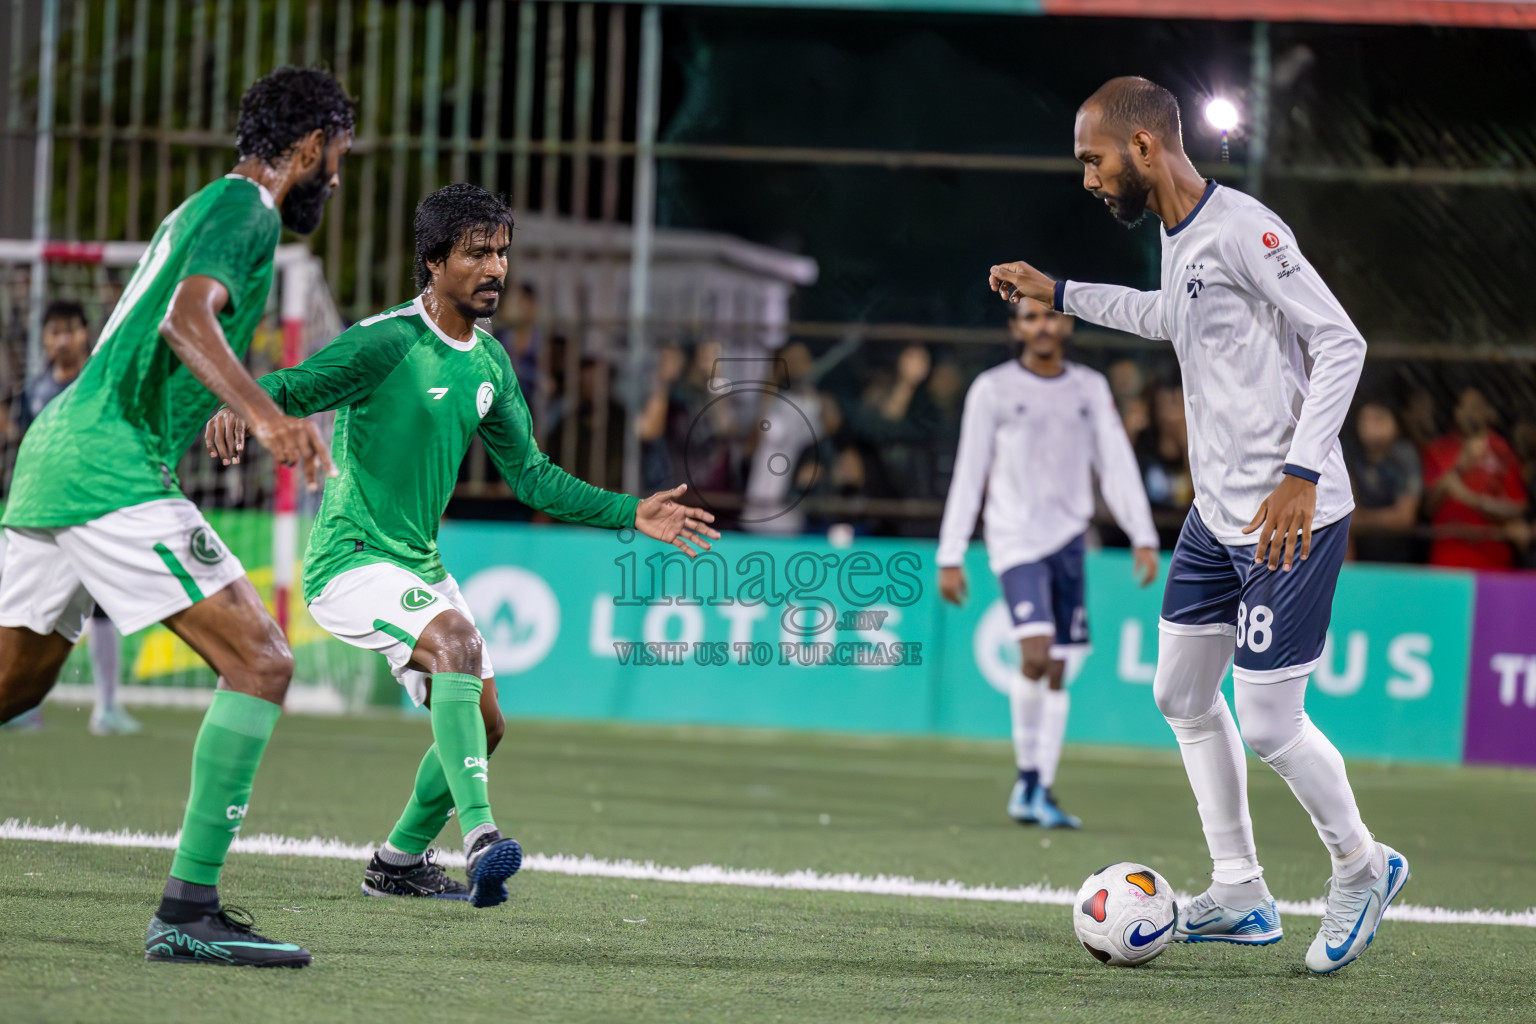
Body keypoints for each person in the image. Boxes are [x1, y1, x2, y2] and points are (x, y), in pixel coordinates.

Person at [988, 75, 1407, 974]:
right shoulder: (1180, 242)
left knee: (1266, 719)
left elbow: (1342, 340)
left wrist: (1301, 471)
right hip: (1218, 520)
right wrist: (1058, 289)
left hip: (1289, 515)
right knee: (1180, 694)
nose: (1090, 178)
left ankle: (1362, 867)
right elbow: (1165, 320)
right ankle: (1242, 891)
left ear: (1143, 147)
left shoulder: (1246, 229)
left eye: (1093, 159)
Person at [206, 184, 718, 907]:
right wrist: (241, 408)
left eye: (503, 252)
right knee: (456, 644)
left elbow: (534, 478)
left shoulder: (490, 365)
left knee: (487, 722)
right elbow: (294, 384)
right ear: (434, 261)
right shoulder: (386, 341)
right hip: (348, 559)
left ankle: (398, 860)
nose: (496, 268)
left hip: (416, 561)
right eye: (478, 252)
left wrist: (632, 511)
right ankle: (480, 837)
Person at [0, 66, 352, 968]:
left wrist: (235, 396)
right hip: (109, 464)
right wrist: (271, 416)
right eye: (338, 156)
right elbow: (187, 323)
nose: (339, 178)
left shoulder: (205, 206)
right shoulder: (249, 213)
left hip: (59, 453)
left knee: (15, 685)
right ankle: (188, 910)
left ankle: (190, 910)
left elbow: (185, 325)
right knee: (263, 659)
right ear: (309, 147)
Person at [937, 296, 1159, 829]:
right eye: (1031, 317)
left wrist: (1142, 534)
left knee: (1058, 668)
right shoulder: (993, 389)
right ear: (1016, 327)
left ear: (1066, 322)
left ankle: (1039, 789)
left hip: (1069, 540)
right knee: (1034, 654)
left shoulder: (1089, 388)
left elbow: (1115, 462)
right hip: (1015, 539)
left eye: (1050, 315)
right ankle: (1027, 781)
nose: (1042, 325)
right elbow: (970, 471)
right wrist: (951, 552)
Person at [2, 300, 139, 735]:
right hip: (44, 516)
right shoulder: (34, 393)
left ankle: (107, 706)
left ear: (86, 335)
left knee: (101, 609)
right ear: (43, 340)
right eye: (54, 331)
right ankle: (24, 705)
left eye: (70, 330)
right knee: (31, 612)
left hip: (96, 511)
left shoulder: (100, 384)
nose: (62, 339)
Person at [1422, 387, 1527, 569]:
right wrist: (1459, 467)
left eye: (1476, 406)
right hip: (1447, 555)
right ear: (1456, 411)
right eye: (1464, 406)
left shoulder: (1503, 452)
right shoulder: (1439, 450)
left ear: (1488, 412)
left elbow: (1516, 508)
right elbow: (1428, 507)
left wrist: (1471, 500)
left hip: (1492, 557)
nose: (1469, 412)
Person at [1344, 400, 1422, 563]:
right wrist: (1385, 518)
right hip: (1361, 558)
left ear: (1394, 422)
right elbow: (1347, 518)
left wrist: (1363, 519)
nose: (1371, 426)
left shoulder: (1404, 456)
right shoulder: (1351, 456)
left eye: (1378, 418)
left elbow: (1404, 518)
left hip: (1402, 558)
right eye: (1365, 419)